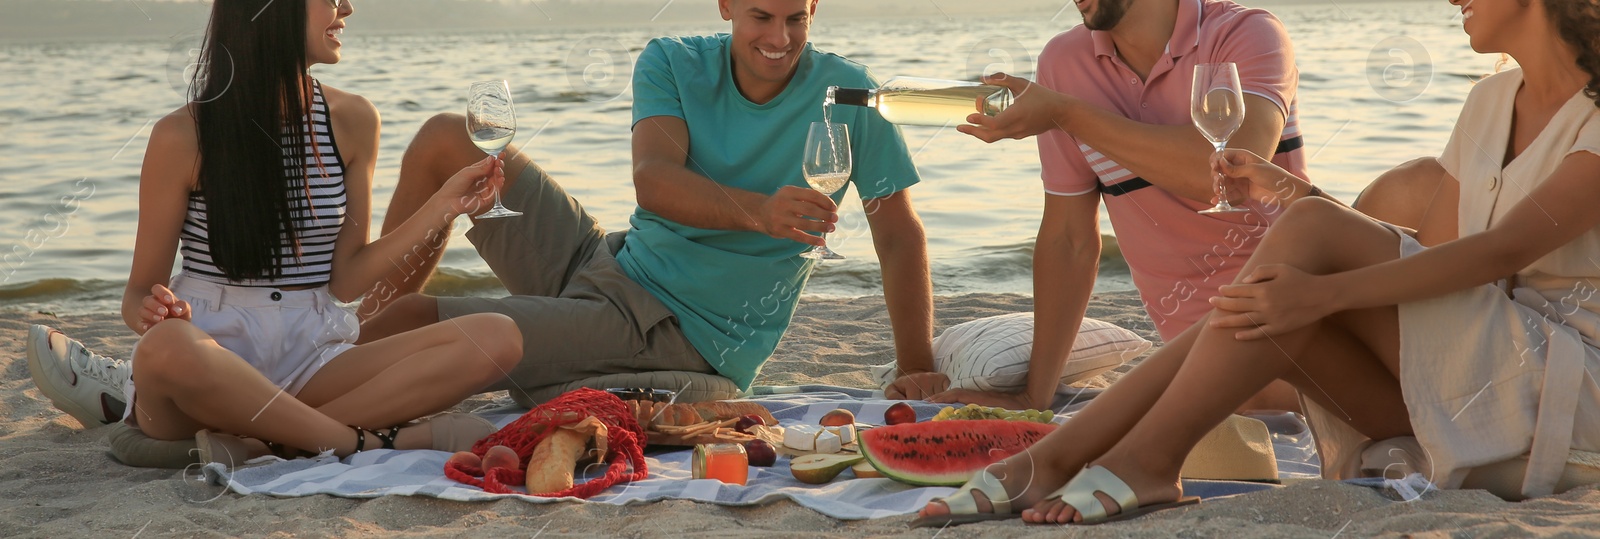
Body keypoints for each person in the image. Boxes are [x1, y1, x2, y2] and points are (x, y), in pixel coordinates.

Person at [917, 0, 1600, 525]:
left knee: (1293, 277)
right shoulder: (1488, 101)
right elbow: (1433, 255)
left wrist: (1324, 294)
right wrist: (1289, 192)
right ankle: (1059, 456)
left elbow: (1500, 252)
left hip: (1563, 392)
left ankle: (1133, 458)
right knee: (1285, 273)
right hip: (1472, 377)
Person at [354, 0, 934, 396]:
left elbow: (899, 236)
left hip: (680, 329)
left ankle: (307, 380)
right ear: (726, 3)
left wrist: (915, 367)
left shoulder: (851, 97)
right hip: (611, 262)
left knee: (403, 323)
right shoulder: (673, 60)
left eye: (796, 18)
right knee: (447, 138)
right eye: (761, 16)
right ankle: (332, 332)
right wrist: (761, 213)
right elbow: (655, 181)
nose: (779, 39)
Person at [28, 0, 523, 464]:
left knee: (497, 337)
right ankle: (364, 439)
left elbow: (346, 281)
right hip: (208, 361)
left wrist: (444, 207)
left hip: (310, 353)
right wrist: (157, 313)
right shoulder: (183, 135)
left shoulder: (353, 120)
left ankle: (266, 444)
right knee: (166, 347)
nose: (347, 7)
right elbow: (138, 293)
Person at [889, 0, 1310, 412]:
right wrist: (1036, 396)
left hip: (1294, 307)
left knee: (1258, 390)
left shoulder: (1245, 33)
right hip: (1196, 343)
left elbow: (1231, 172)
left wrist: (1066, 114)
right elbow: (1068, 240)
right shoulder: (1064, 62)